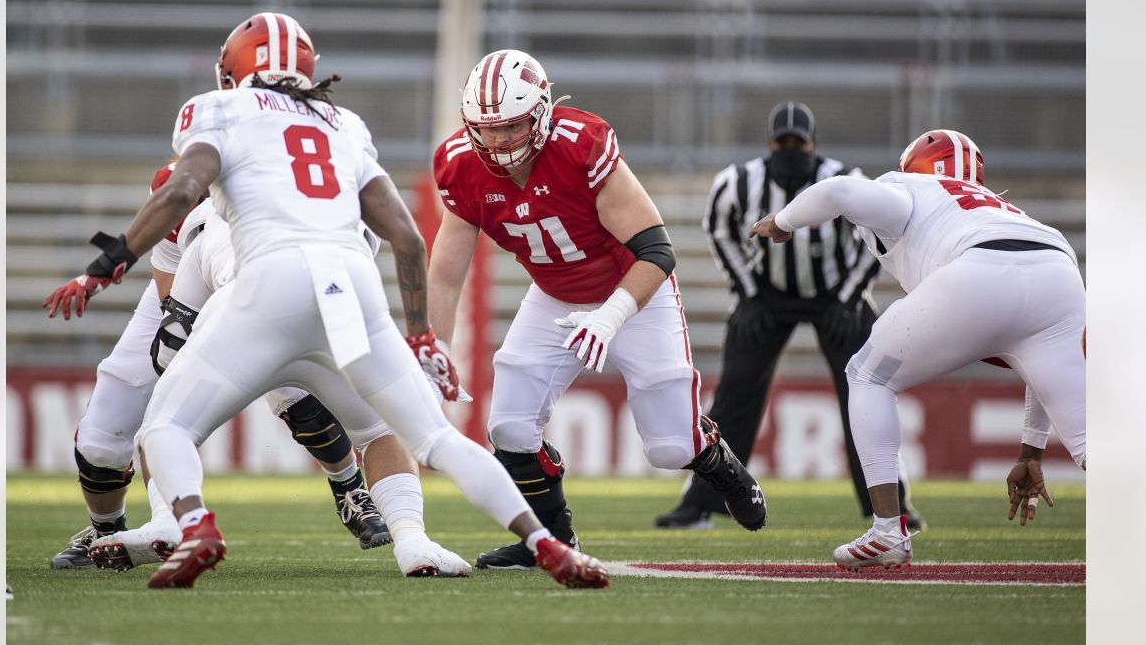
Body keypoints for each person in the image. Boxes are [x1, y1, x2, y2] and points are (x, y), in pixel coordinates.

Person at [44, 13, 608, 589]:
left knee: (164, 426)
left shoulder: (218, 110)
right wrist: (421, 337)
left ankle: (193, 523)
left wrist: (102, 267)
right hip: (351, 284)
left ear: (232, 72)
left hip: (270, 279)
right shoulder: (344, 123)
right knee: (435, 437)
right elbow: (408, 238)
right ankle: (545, 544)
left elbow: (183, 189)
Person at [428, 49, 767, 570]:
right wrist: (437, 348)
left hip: (634, 293)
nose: (497, 141)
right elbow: (448, 273)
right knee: (510, 428)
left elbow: (657, 251)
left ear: (540, 112)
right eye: (486, 128)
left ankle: (714, 458)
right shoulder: (459, 165)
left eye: (513, 127)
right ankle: (549, 539)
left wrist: (610, 316)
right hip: (553, 296)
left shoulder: (579, 145)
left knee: (669, 448)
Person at [750, 129, 1085, 569]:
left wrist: (782, 222)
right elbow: (1038, 366)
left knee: (867, 376)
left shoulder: (910, 186)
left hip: (979, 268)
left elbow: (839, 190)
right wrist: (1030, 452)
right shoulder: (1003, 209)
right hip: (1060, 270)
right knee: (1088, 442)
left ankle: (888, 530)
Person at [90, 198, 469, 578]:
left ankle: (171, 520)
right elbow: (381, 264)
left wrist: (183, 374)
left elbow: (173, 342)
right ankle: (413, 540)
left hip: (242, 327)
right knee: (381, 430)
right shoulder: (339, 195)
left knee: (164, 424)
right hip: (328, 320)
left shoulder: (208, 224)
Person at [46, 162, 389, 570]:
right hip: (187, 298)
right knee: (103, 439)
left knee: (295, 386)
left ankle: (349, 488)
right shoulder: (181, 181)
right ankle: (107, 533)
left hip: (273, 292)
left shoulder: (303, 172)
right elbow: (171, 291)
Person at [655, 102, 921, 530]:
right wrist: (749, 292)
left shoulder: (846, 181)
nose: (791, 150)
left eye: (799, 143)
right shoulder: (738, 183)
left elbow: (879, 234)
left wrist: (851, 295)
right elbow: (719, 229)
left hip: (836, 297)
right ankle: (699, 504)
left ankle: (893, 506)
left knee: (867, 394)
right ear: (769, 144)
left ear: (814, 144)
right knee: (734, 397)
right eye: (783, 143)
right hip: (767, 296)